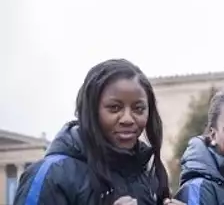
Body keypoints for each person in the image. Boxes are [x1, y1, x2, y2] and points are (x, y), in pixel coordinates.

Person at [13, 58, 184, 205]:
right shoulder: (50, 175)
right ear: (92, 111)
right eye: (114, 108)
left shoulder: (147, 177)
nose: (127, 119)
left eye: (138, 109)